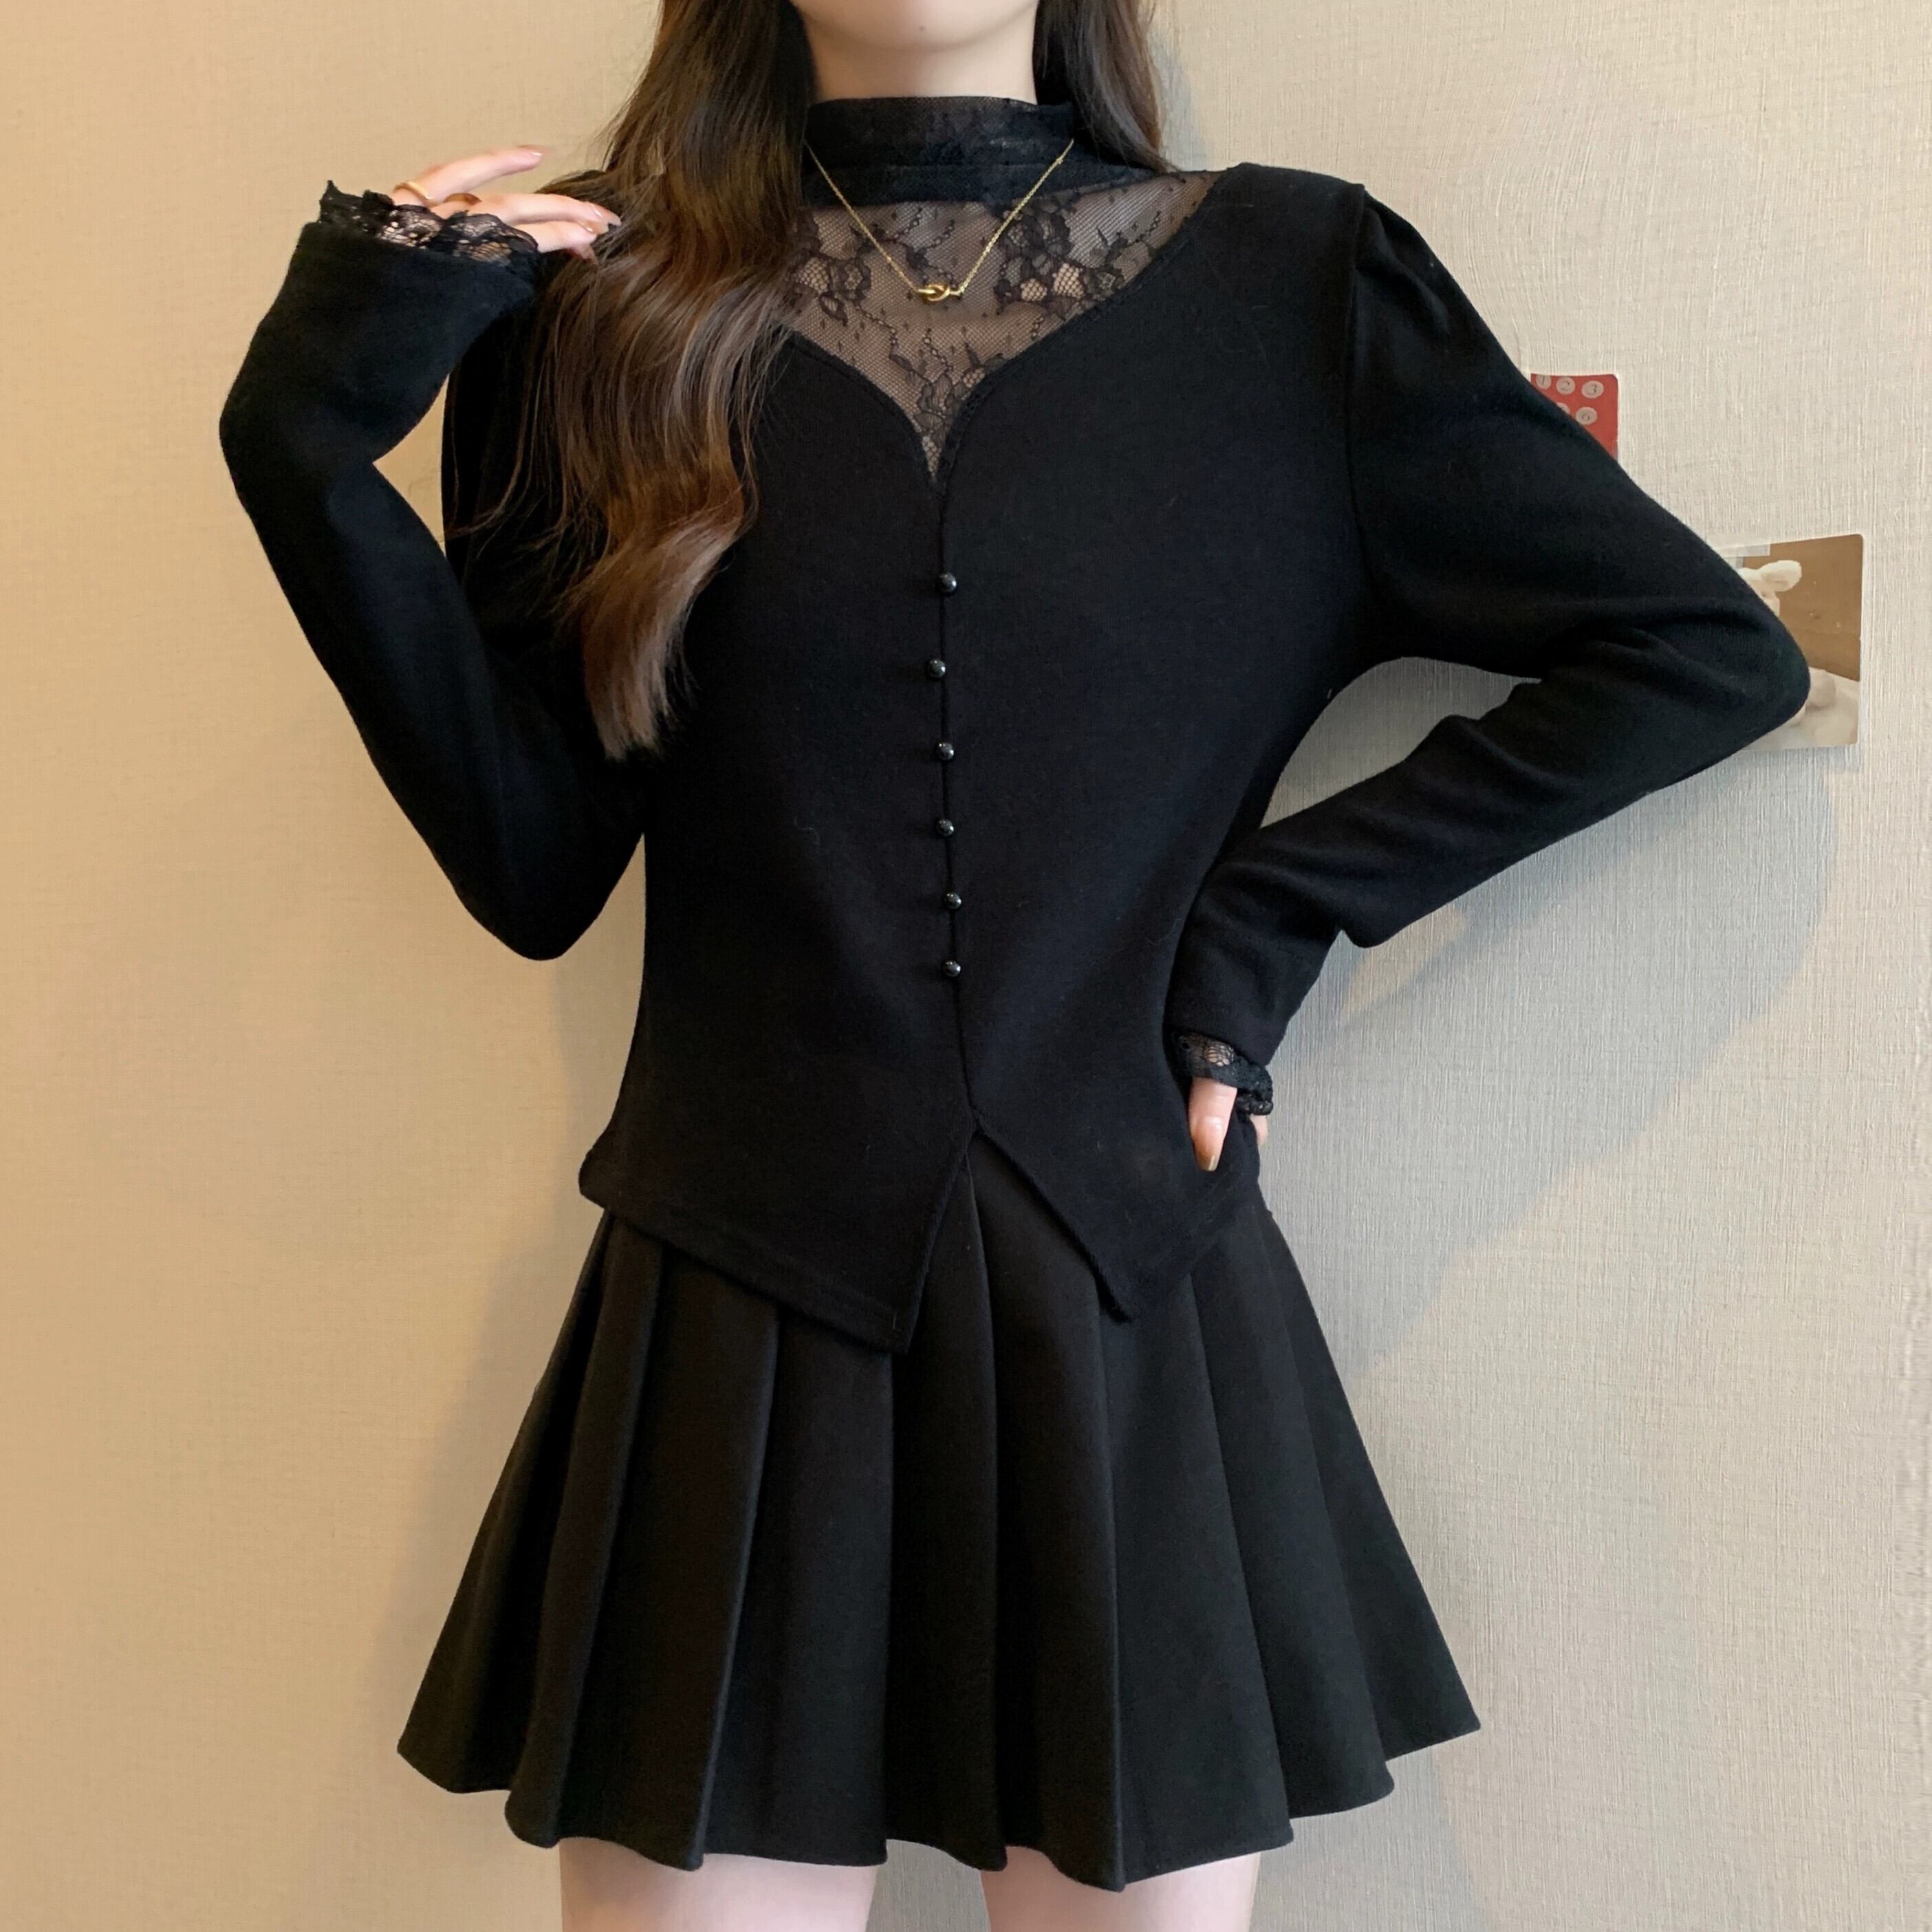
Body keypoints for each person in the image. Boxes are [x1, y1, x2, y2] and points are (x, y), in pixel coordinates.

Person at [217, 1, 1812, 1926]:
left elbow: (1696, 653)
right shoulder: (595, 314)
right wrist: (305, 441)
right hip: (732, 1289)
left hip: (1127, 1287)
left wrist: (1269, 916)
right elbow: (535, 865)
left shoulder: (1298, 286)